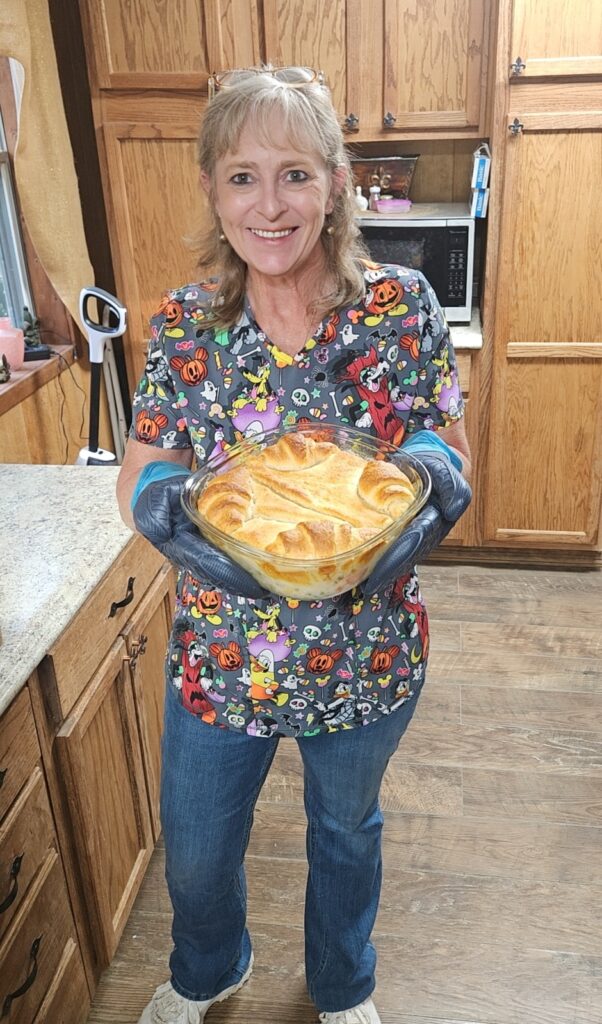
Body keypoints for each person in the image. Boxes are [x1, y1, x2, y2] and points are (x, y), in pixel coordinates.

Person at [116, 66, 471, 1024]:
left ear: (335, 183)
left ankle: (342, 983)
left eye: (295, 175)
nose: (268, 205)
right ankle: (209, 970)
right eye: (242, 176)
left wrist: (435, 476)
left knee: (345, 831)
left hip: (363, 648)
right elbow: (149, 461)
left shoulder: (399, 309)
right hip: (222, 649)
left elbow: (440, 437)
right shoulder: (188, 327)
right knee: (194, 843)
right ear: (210, 187)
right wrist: (159, 507)